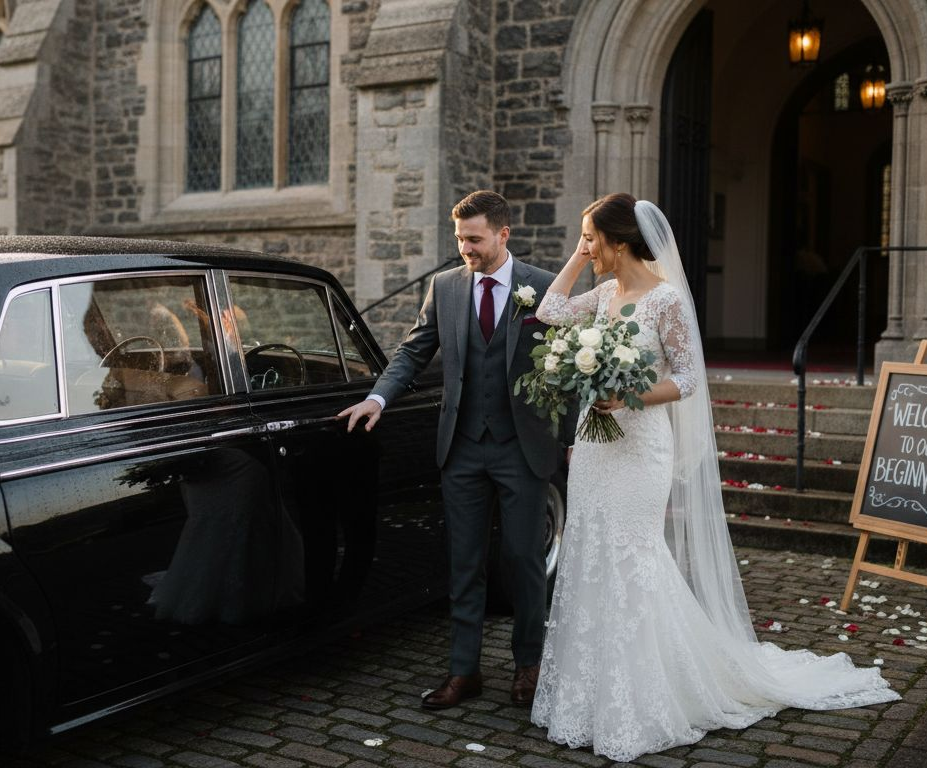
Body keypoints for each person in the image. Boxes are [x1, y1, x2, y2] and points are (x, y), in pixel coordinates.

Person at [530, 193, 898, 762]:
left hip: (640, 444)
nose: (586, 246)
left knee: (633, 557)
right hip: (596, 450)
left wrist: (625, 395)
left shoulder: (665, 299)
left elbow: (689, 379)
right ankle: (591, 694)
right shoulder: (602, 294)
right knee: (590, 555)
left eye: (590, 238)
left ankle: (646, 697)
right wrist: (577, 260)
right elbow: (551, 312)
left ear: (618, 241)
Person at [338, 190, 574, 709]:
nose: (465, 248)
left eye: (474, 239)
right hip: (462, 449)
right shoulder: (444, 287)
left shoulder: (543, 285)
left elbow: (568, 365)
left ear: (503, 234)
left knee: (523, 560)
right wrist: (378, 397)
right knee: (464, 563)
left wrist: (573, 438)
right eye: (460, 239)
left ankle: (529, 666)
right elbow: (413, 349)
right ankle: (463, 672)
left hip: (524, 448)